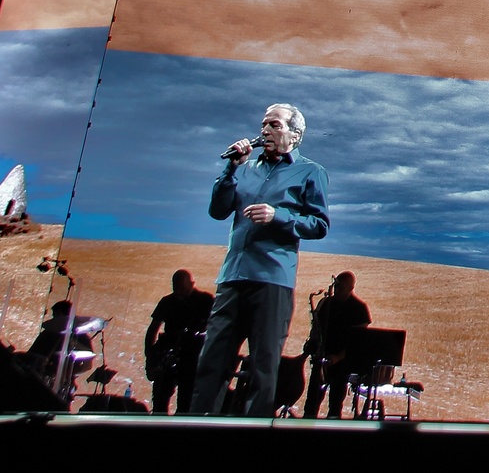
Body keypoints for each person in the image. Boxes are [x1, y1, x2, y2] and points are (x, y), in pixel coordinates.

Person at [190, 103, 329, 417]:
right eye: (264, 124)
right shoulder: (246, 169)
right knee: (212, 362)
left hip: (272, 280)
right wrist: (230, 169)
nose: (265, 130)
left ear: (295, 135)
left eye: (275, 125)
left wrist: (277, 216)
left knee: (263, 367)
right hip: (232, 278)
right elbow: (218, 211)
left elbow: (319, 225)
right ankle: (196, 424)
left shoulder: (311, 172)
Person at [303, 271, 372, 418]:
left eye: (340, 287)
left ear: (350, 288)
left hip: (342, 363)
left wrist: (337, 357)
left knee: (335, 405)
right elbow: (317, 330)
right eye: (336, 286)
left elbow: (358, 341)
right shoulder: (327, 303)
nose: (336, 290)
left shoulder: (359, 308)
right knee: (311, 403)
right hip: (322, 359)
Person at [145, 269, 214, 414]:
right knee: (159, 401)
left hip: (192, 357)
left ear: (192, 284)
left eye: (182, 289)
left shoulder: (206, 300)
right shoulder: (167, 301)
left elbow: (216, 328)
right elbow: (153, 329)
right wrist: (150, 359)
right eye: (175, 288)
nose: (178, 292)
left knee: (186, 402)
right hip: (168, 354)